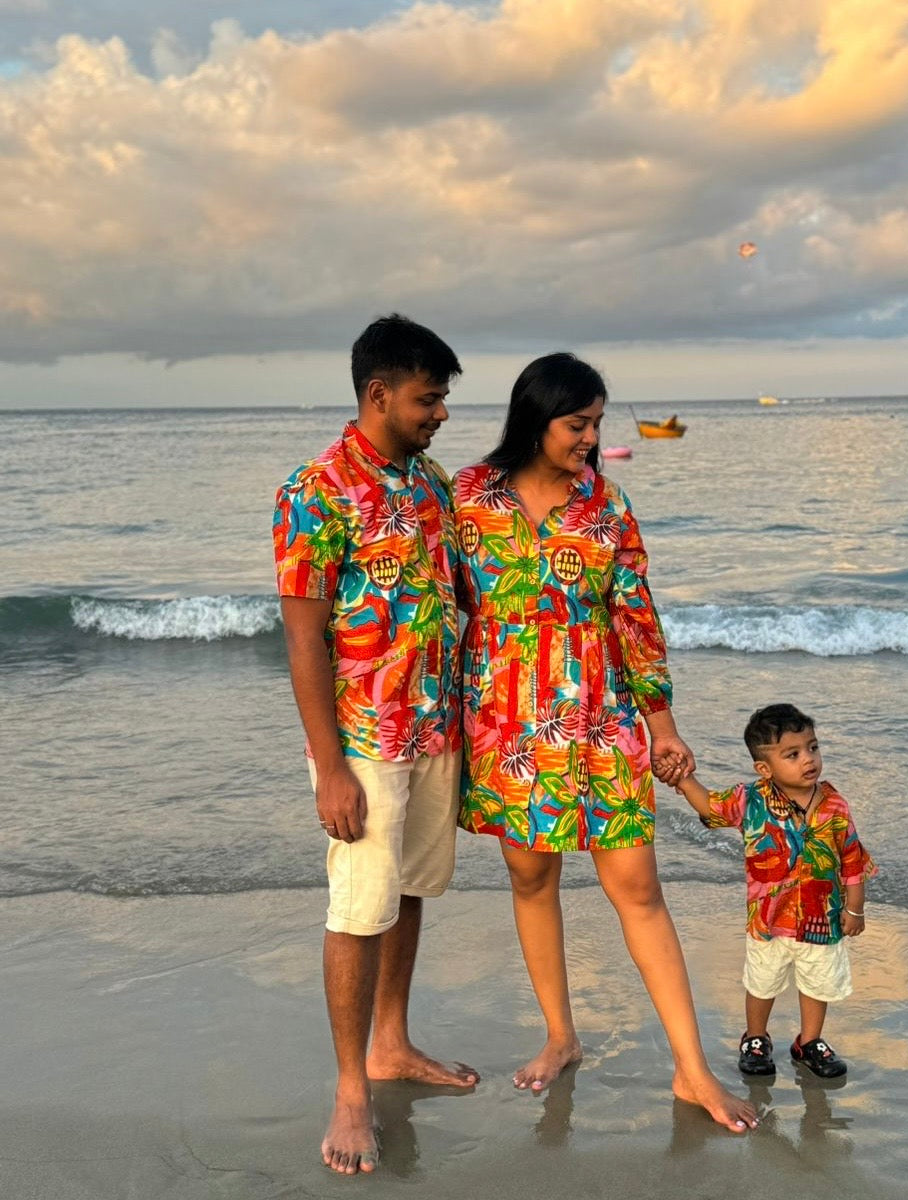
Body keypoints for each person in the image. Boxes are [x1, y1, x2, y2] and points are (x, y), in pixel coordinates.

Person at [452, 352, 758, 1133]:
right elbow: (436, 605)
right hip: (507, 721)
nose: (590, 438)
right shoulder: (467, 498)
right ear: (536, 419)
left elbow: (636, 618)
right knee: (530, 878)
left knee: (638, 888)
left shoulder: (607, 505)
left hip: (601, 714)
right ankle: (561, 1036)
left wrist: (662, 724)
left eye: (596, 424)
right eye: (577, 424)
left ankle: (692, 1069)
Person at [273, 314, 478, 1176]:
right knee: (358, 909)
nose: (441, 414)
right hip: (364, 737)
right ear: (379, 394)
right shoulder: (315, 489)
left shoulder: (430, 482)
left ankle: (391, 1042)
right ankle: (351, 1088)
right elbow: (302, 638)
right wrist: (329, 767)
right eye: (429, 399)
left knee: (411, 890)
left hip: (435, 724)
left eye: (443, 399)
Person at [666, 704, 876, 1080]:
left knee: (818, 983)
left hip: (823, 919)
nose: (808, 759)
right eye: (792, 754)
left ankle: (809, 1042)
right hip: (768, 919)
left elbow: (852, 860)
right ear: (764, 768)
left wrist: (855, 909)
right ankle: (756, 1038)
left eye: (813, 747)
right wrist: (684, 780)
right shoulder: (751, 800)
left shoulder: (835, 805)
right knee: (762, 982)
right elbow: (712, 807)